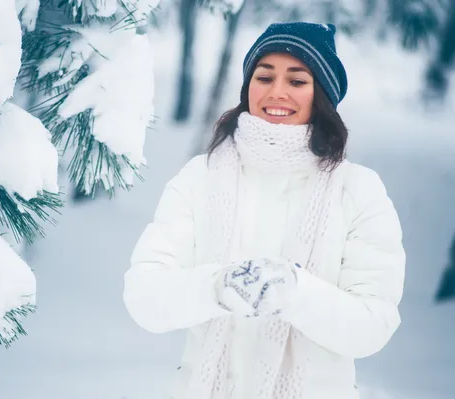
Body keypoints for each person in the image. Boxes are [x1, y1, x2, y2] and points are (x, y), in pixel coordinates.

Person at [123, 22, 405, 399]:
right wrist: (217, 287)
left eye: (297, 80)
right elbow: (144, 296)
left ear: (321, 94)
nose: (277, 92)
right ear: (248, 87)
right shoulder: (200, 177)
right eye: (264, 76)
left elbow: (373, 324)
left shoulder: (357, 190)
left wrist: (295, 292)